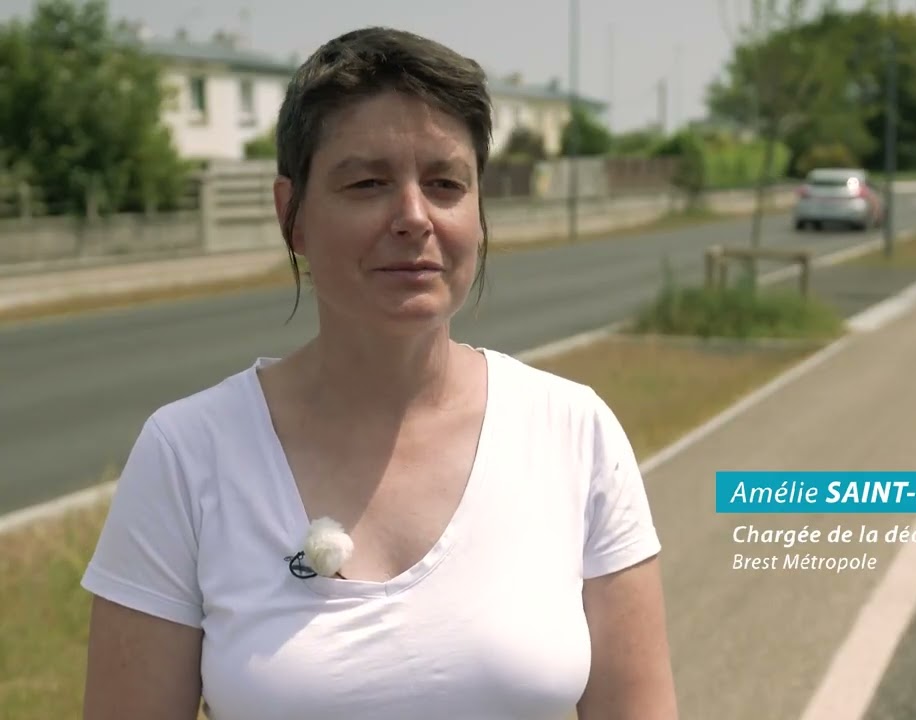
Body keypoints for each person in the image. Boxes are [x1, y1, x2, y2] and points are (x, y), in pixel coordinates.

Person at [80, 26, 678, 720]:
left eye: (446, 184)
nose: (414, 217)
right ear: (292, 217)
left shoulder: (576, 431)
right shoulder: (187, 455)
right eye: (367, 183)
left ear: (479, 214)